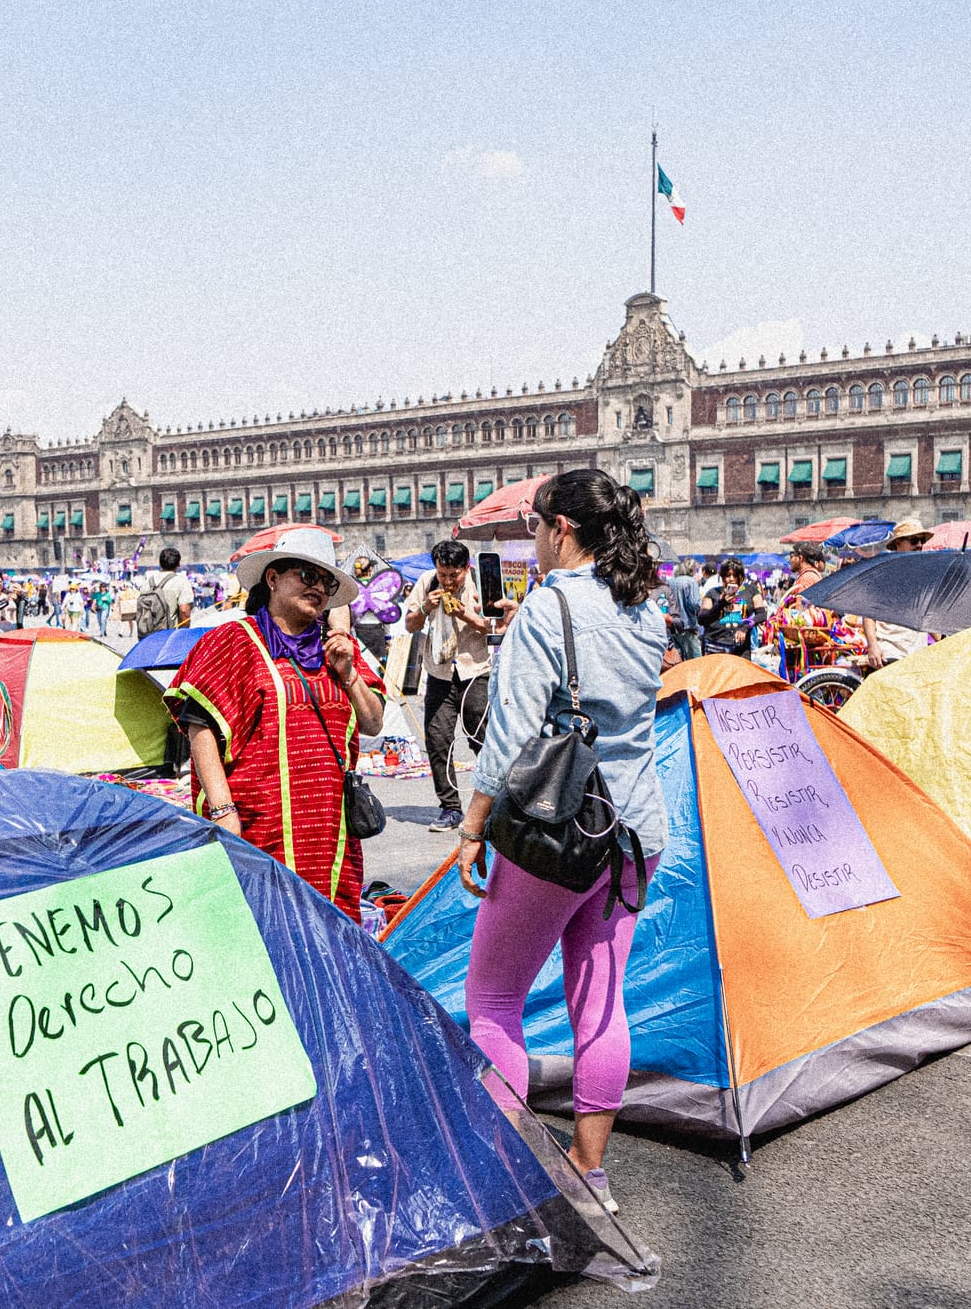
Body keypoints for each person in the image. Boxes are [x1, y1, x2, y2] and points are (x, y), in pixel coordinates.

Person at [443, 469, 668, 1214]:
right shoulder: (646, 609)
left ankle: (507, 1180)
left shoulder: (548, 610)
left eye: (533, 527)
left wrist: (472, 827)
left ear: (560, 529)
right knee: (601, 1001)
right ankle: (591, 1173)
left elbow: (508, 740)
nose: (528, 541)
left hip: (559, 832)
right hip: (636, 830)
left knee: (496, 998)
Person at [166, 525, 385, 922]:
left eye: (326, 581)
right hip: (259, 825)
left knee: (329, 932)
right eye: (306, 575)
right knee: (265, 929)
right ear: (272, 578)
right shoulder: (234, 641)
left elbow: (373, 722)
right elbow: (199, 727)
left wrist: (349, 674)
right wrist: (222, 810)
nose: (318, 587)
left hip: (331, 832)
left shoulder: (337, 649)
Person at [403, 540, 507, 832]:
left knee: (482, 738)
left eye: (454, 575)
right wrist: (425, 607)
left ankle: (494, 804)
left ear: (466, 568)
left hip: (475, 670)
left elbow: (494, 627)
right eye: (443, 574)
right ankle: (450, 808)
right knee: (437, 740)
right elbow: (410, 624)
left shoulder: (484, 583)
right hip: (439, 672)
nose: (447, 581)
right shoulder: (426, 582)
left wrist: (463, 614)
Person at [860, 519, 936, 669]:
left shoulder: (923, 575)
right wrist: (873, 646)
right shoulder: (884, 573)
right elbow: (868, 613)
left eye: (921, 541)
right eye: (914, 541)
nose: (919, 545)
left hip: (916, 654)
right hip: (890, 652)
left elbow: (926, 615)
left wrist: (944, 639)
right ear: (898, 543)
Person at [698, 557, 763, 656]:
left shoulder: (751, 590)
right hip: (715, 646)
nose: (732, 579)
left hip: (741, 648)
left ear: (741, 576)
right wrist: (720, 603)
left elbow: (762, 614)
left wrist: (745, 627)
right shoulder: (713, 593)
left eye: (735, 575)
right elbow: (701, 619)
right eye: (728, 575)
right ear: (723, 577)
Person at [136, 548, 195, 638]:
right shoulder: (181, 582)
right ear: (178, 564)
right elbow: (184, 612)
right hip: (168, 635)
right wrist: (182, 636)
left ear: (160, 563)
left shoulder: (148, 582)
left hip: (146, 636)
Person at [660, 558, 704, 664]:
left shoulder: (670, 582)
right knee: (695, 662)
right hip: (688, 626)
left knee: (677, 661)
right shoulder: (691, 581)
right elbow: (694, 604)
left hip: (673, 626)